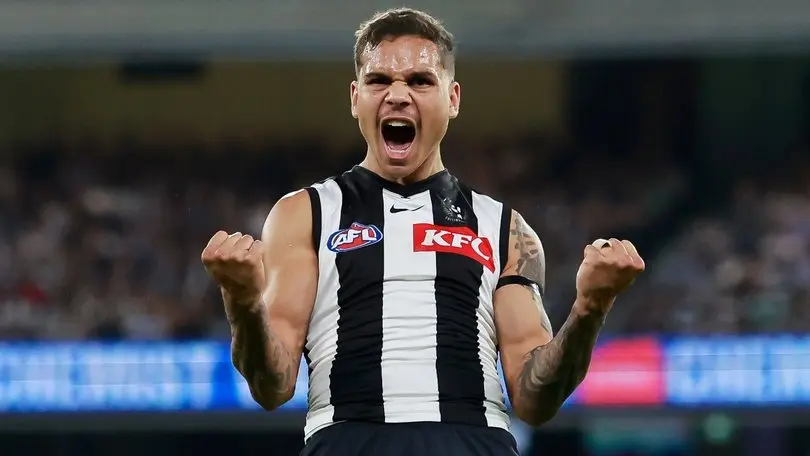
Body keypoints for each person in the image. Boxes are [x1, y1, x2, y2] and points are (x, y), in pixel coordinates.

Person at [201, 7, 645, 456]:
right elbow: (273, 386)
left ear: (452, 98)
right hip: (349, 437)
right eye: (379, 81)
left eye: (419, 81)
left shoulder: (506, 228)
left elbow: (534, 400)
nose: (397, 95)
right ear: (355, 97)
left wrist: (590, 308)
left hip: (472, 439)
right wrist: (242, 302)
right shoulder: (305, 213)